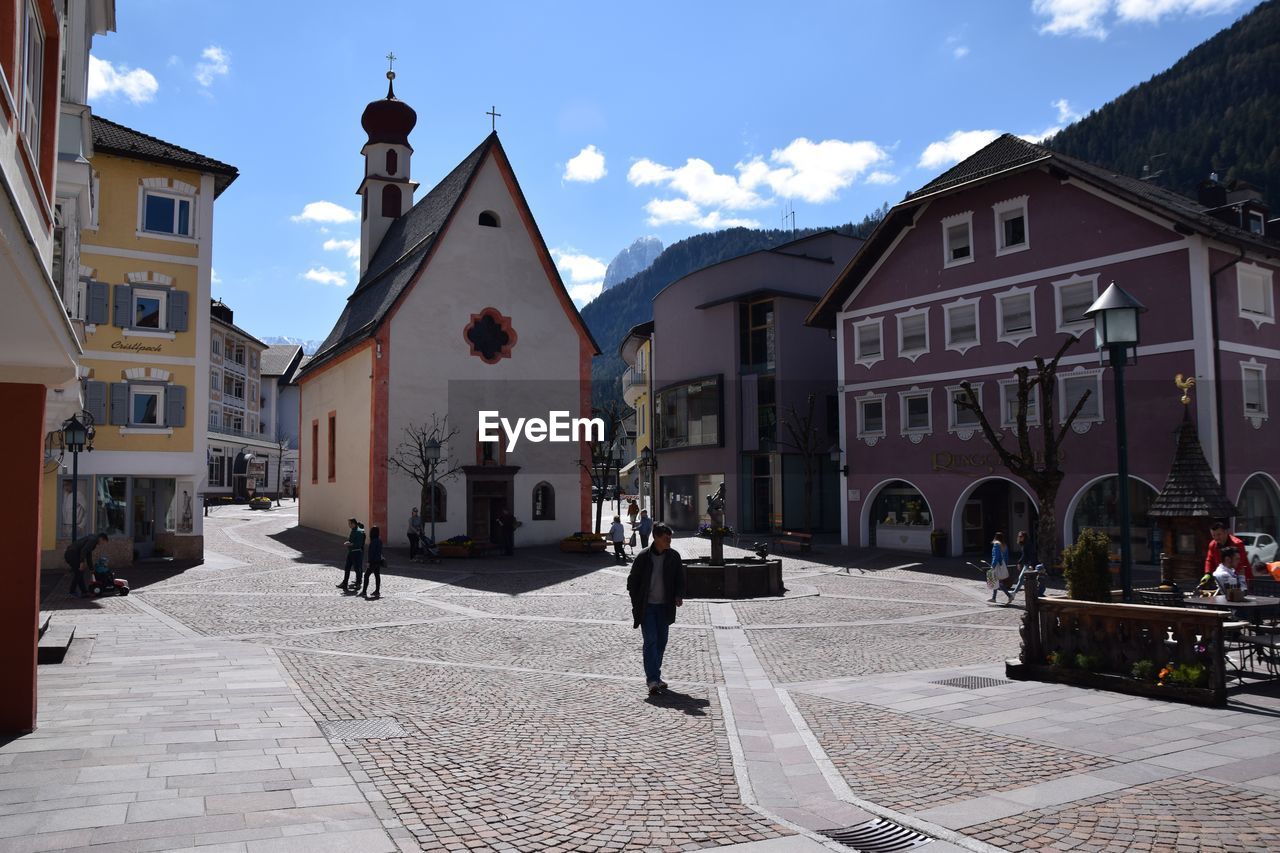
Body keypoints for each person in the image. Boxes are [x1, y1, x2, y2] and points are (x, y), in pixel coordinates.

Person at [626, 523, 685, 695]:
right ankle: (652, 679)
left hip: (664, 607)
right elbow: (632, 582)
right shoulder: (643, 557)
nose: (669, 541)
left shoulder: (674, 556)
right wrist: (637, 601)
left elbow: (680, 579)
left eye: (670, 538)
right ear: (656, 538)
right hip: (647, 607)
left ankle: (656, 676)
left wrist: (678, 595)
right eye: (666, 538)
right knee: (651, 640)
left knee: (661, 642)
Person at [1206, 520, 1251, 591]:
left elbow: (1239, 563)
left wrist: (1234, 579)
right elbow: (1209, 560)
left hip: (1242, 576)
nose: (1216, 538)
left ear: (1225, 532)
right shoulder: (1212, 544)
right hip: (1224, 576)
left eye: (1218, 534)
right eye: (1213, 535)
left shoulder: (1237, 544)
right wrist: (1207, 573)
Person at [64, 532, 107, 598]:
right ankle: (72, 592)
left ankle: (84, 592)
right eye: (103, 542)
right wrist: (82, 563)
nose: (102, 544)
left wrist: (91, 568)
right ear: (101, 538)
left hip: (71, 554)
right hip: (72, 554)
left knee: (80, 573)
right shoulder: (93, 540)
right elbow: (83, 551)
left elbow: (88, 555)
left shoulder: (92, 540)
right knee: (79, 573)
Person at [1008, 530, 1041, 598]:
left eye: (1021, 536)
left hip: (1029, 564)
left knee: (1022, 578)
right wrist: (1019, 562)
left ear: (1024, 537)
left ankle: (1014, 592)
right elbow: (1024, 555)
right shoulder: (1024, 544)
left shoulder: (1028, 544)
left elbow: (1032, 555)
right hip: (1026, 564)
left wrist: (1031, 565)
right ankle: (1035, 591)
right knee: (1024, 579)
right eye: (1019, 536)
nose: (1019, 537)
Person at [339, 518, 365, 592]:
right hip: (351, 552)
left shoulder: (359, 531)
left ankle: (358, 583)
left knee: (357, 569)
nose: (349, 525)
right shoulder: (353, 530)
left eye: (349, 523)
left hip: (356, 552)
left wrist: (350, 544)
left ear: (353, 523)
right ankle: (345, 582)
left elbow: (359, 544)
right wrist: (348, 542)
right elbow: (351, 540)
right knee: (347, 568)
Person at [989, 531, 1013, 604]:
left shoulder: (996, 544)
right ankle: (994, 598)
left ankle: (1009, 596)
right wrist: (1005, 565)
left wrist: (992, 565)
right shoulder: (1004, 545)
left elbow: (996, 556)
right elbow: (1006, 557)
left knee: (996, 581)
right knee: (997, 581)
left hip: (997, 565)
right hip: (1003, 565)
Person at [362, 526, 383, 599]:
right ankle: (377, 590)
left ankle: (364, 591)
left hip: (373, 561)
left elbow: (371, 553)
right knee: (377, 575)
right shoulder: (379, 540)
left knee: (366, 575)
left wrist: (369, 562)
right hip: (378, 561)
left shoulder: (373, 541)